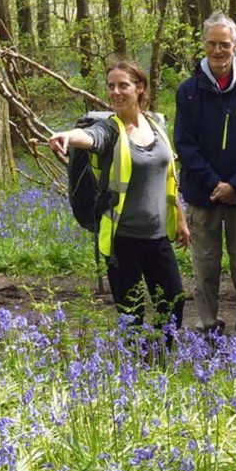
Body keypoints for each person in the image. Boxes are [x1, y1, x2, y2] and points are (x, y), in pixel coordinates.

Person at [48, 61, 190, 330]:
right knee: (131, 314)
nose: (115, 92)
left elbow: (169, 179)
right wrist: (67, 136)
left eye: (123, 85)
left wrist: (180, 220)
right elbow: (90, 137)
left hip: (159, 237)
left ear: (140, 88)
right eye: (111, 86)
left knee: (173, 302)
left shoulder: (155, 126)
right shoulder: (109, 130)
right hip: (123, 241)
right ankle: (134, 368)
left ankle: (160, 363)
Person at [174, 11, 236, 334]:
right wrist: (215, 183)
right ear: (204, 45)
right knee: (205, 265)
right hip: (204, 196)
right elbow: (185, 146)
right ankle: (208, 325)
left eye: (225, 44)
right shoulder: (188, 91)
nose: (218, 51)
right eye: (212, 44)